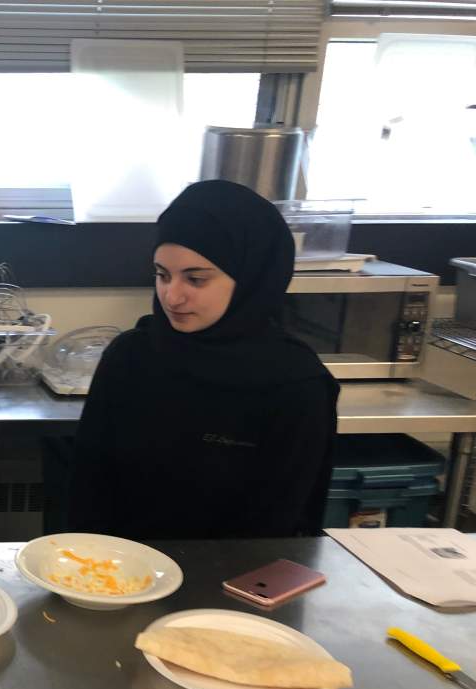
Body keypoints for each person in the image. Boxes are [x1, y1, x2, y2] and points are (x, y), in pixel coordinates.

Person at [67, 179, 339, 540]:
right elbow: (87, 490)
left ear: (250, 280)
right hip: (116, 576)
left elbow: (281, 528)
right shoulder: (130, 358)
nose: (172, 296)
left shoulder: (295, 386)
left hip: (234, 583)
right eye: (162, 275)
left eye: (195, 280)